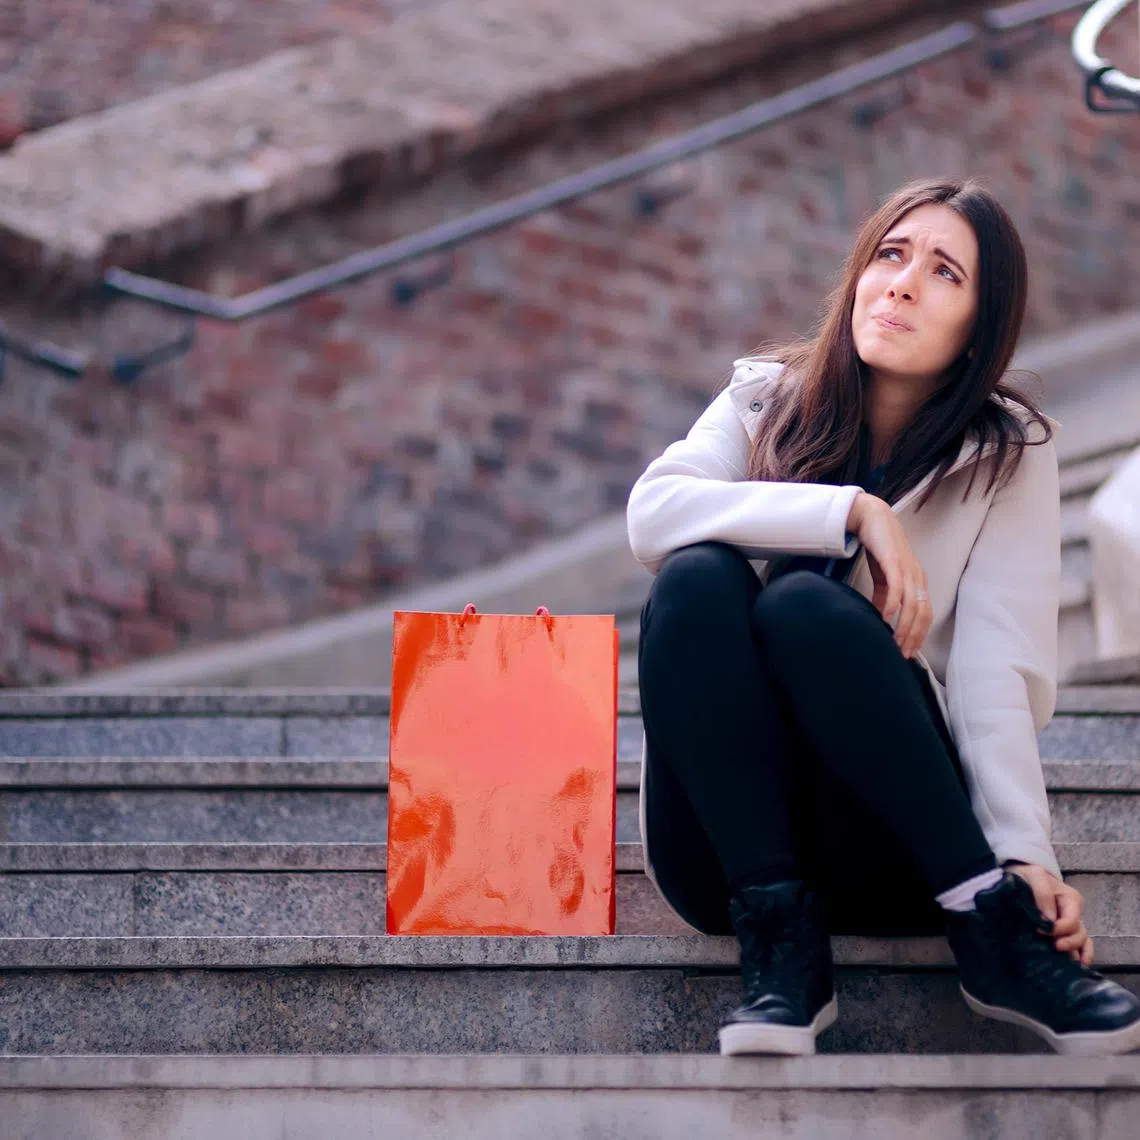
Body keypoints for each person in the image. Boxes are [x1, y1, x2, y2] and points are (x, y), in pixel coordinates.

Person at [626, 177, 1140, 1058]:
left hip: (897, 844)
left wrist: (1026, 860)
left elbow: (994, 674)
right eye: (891, 255)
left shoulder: (1007, 459)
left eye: (945, 272)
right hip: (724, 855)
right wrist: (852, 512)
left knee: (803, 609)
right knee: (695, 580)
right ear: (860, 274)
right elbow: (652, 511)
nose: (902, 283)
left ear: (979, 326)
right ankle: (781, 949)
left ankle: (993, 930)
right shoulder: (763, 401)